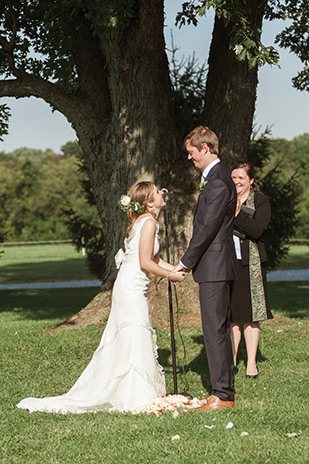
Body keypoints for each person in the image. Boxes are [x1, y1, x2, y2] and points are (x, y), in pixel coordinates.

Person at [17, 181, 185, 414]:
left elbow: (150, 259)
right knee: (134, 331)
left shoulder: (142, 221)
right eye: (158, 192)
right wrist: (169, 275)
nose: (162, 193)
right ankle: (135, 395)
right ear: (148, 202)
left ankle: (134, 389)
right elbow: (145, 261)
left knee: (134, 332)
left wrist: (175, 269)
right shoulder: (149, 223)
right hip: (131, 287)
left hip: (130, 284)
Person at [174, 126, 238, 410]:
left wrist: (185, 262)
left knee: (214, 331)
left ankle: (223, 395)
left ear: (205, 149)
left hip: (214, 265)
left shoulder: (218, 182)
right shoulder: (215, 178)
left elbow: (207, 229)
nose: (190, 158)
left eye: (191, 152)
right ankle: (223, 391)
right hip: (215, 265)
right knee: (217, 329)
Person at [230, 161, 273, 379]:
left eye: (241, 178)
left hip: (251, 264)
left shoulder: (261, 201)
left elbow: (257, 230)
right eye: (233, 177)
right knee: (231, 316)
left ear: (251, 180)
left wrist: (238, 213)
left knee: (250, 314)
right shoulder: (225, 199)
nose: (236, 181)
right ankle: (232, 361)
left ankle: (252, 364)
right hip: (228, 262)